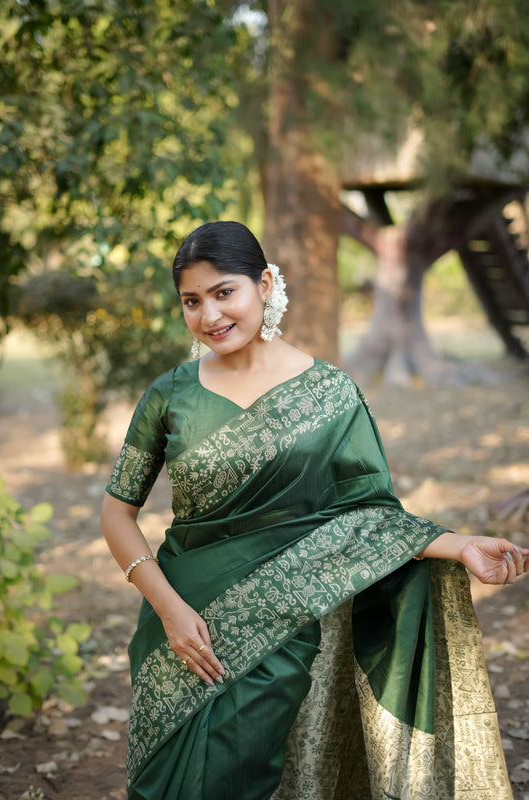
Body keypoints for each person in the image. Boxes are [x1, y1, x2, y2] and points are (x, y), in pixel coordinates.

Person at [100, 220, 529, 800]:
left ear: (266, 283)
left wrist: (458, 545)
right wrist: (170, 611)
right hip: (176, 624)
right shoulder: (169, 395)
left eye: (225, 292)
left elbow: (364, 513)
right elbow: (116, 514)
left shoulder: (329, 395)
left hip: (278, 624)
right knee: (158, 784)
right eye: (192, 301)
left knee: (235, 778)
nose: (209, 316)